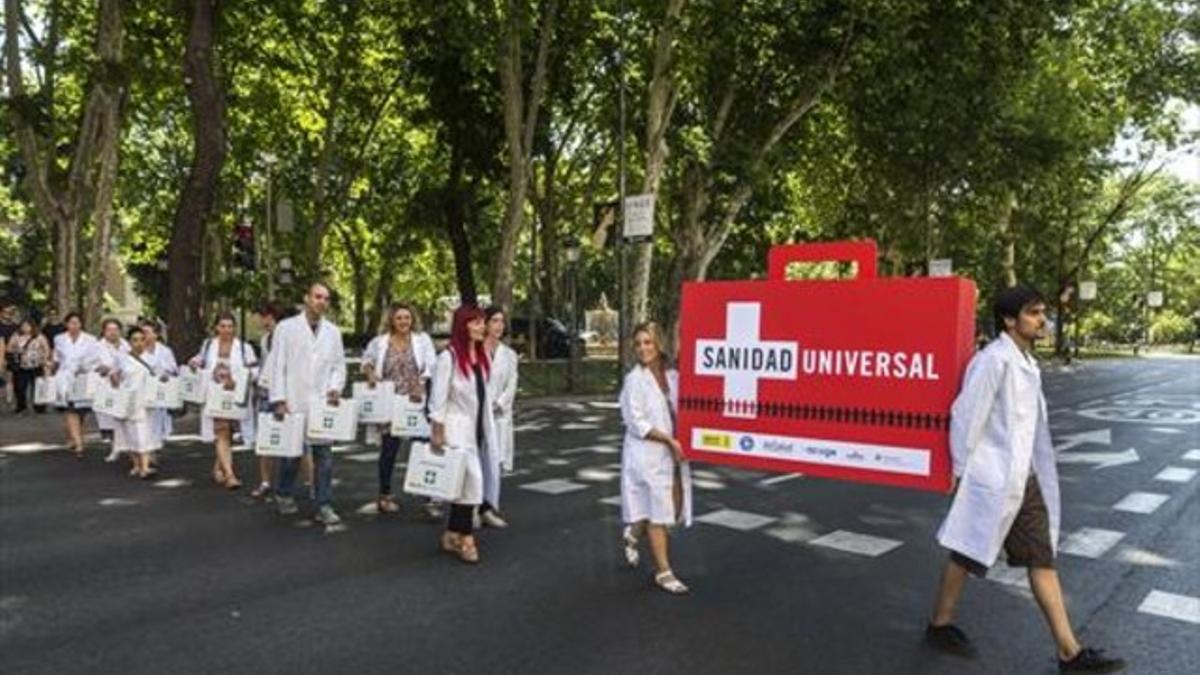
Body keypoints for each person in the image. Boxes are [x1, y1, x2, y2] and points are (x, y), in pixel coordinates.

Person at [925, 285, 1125, 673]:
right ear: (1009, 320)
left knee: (1040, 559)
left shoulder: (1028, 362)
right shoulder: (992, 361)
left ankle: (1070, 652)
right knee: (967, 550)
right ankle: (939, 624)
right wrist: (960, 470)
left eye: (1042, 312)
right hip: (991, 476)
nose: (1042, 320)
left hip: (1023, 478)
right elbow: (967, 414)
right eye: (1034, 313)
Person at [619, 322, 693, 594]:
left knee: (672, 508)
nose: (643, 348)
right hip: (646, 455)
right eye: (638, 343)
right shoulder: (634, 381)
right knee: (659, 513)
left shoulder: (672, 377)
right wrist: (669, 440)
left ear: (659, 344)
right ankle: (664, 571)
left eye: (648, 342)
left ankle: (634, 531)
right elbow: (635, 422)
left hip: (672, 456)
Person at [269, 282, 347, 525]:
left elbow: (338, 365)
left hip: (321, 402)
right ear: (306, 298)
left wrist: (335, 388)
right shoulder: (286, 328)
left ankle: (324, 504)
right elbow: (277, 365)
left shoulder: (333, 332)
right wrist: (279, 399)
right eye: (317, 297)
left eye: (326, 298)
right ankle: (283, 492)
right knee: (292, 455)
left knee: (324, 456)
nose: (322, 301)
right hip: (294, 400)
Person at [429, 305, 498, 564]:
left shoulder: (482, 357)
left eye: (483, 323)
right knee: (474, 481)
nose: (483, 327)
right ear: (463, 326)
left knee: (462, 486)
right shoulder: (449, 358)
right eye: (477, 323)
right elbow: (438, 397)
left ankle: (451, 534)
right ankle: (466, 539)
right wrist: (437, 429)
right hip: (455, 430)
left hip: (475, 427)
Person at [361, 302, 437, 515]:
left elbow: (432, 365)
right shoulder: (380, 342)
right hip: (390, 404)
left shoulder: (423, 340)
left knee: (422, 448)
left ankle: (428, 499)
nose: (404, 321)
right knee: (389, 451)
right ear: (392, 321)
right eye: (399, 318)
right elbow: (366, 359)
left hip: (414, 402)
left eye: (407, 317)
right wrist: (370, 372)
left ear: (412, 319)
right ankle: (384, 496)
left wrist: (421, 382)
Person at [189, 312, 258, 490]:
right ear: (216, 328)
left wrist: (236, 378)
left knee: (228, 432)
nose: (226, 330)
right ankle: (230, 475)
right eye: (223, 326)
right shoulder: (208, 345)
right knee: (221, 429)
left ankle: (218, 466)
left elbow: (255, 371)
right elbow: (200, 361)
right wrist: (195, 364)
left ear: (234, 328)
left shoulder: (244, 348)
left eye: (230, 326)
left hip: (235, 394)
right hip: (214, 394)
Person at [482, 305, 519, 528]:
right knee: (477, 462)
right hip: (477, 414)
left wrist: (500, 403)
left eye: (501, 321)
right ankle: (474, 506)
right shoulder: (475, 351)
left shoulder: (509, 354)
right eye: (494, 320)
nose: (499, 325)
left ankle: (490, 506)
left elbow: (512, 384)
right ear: (485, 323)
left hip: (498, 414)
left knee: (494, 462)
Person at [111, 326, 161, 479]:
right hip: (127, 400)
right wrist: (115, 380)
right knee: (128, 432)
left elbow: (160, 378)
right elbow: (115, 376)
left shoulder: (152, 359)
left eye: (141, 340)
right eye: (135, 340)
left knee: (143, 433)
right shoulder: (122, 358)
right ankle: (136, 464)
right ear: (130, 342)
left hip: (145, 400)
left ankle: (145, 466)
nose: (138, 343)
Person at [49, 312, 101, 458]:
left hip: (83, 377)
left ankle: (75, 437)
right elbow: (57, 358)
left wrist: (85, 367)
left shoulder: (90, 340)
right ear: (66, 324)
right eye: (71, 323)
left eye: (77, 323)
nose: (74, 326)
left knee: (82, 411)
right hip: (65, 377)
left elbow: (95, 359)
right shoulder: (59, 339)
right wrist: (50, 368)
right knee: (70, 409)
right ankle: (79, 444)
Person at [139, 319, 179, 457]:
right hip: (141, 390)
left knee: (155, 421)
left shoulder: (165, 351)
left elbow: (173, 369)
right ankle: (144, 452)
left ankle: (152, 451)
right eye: (142, 332)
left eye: (147, 332)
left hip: (159, 391)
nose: (144, 335)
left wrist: (164, 373)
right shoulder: (136, 349)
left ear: (155, 335)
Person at [95, 319, 131, 462]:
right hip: (105, 386)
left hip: (125, 383)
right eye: (109, 330)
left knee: (125, 417)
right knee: (110, 419)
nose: (113, 333)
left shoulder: (126, 345)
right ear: (104, 331)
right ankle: (114, 448)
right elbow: (100, 364)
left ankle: (129, 448)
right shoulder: (98, 346)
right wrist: (110, 371)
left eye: (116, 329)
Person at [7, 319, 51, 414]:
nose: (25, 328)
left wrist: (44, 359)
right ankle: (21, 406)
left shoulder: (39, 336)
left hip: (36, 365)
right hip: (21, 366)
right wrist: (17, 351)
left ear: (32, 326)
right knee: (20, 387)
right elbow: (9, 348)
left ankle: (39, 407)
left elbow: (46, 348)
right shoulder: (16, 336)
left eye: (27, 325)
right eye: (23, 326)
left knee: (37, 387)